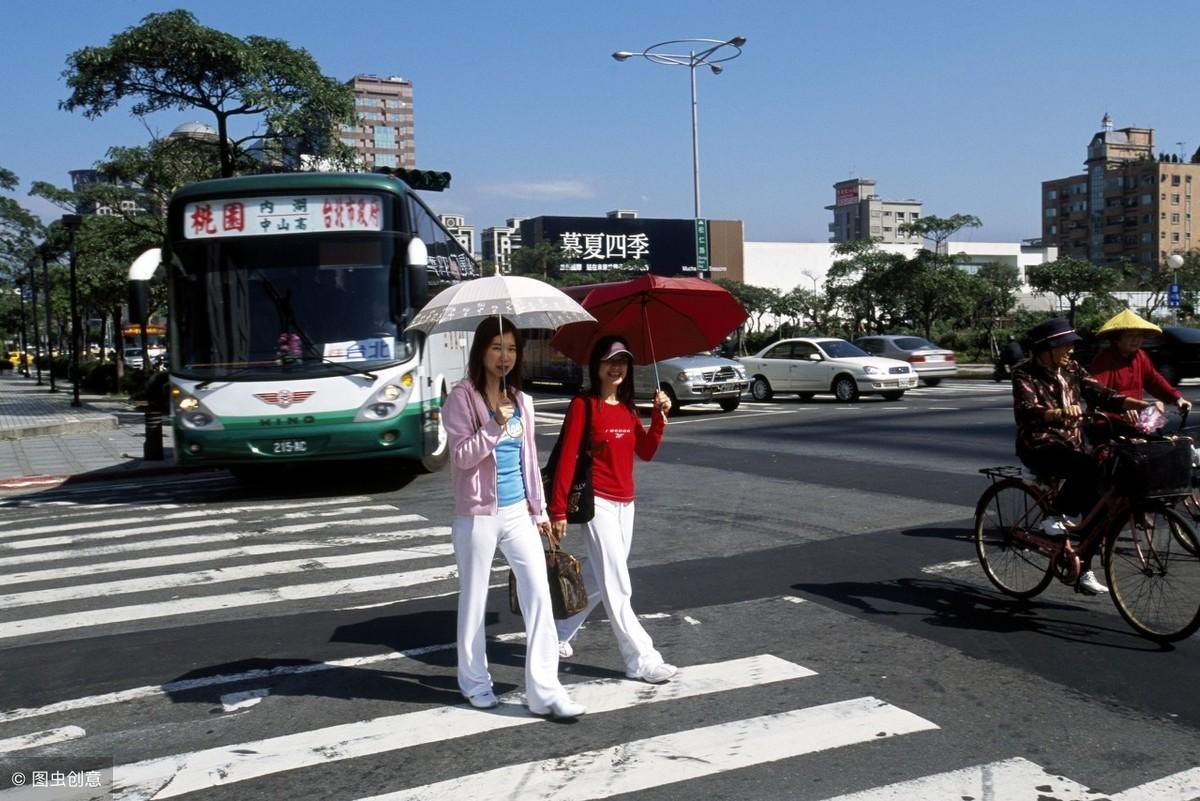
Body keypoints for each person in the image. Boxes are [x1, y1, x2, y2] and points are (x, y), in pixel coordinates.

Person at [442, 316, 585, 718]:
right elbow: (462, 457)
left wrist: (539, 510)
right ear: (481, 351)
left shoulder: (522, 400)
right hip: (477, 515)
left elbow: (529, 461)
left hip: (519, 512)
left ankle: (545, 691)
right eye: (496, 348)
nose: (504, 356)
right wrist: (494, 425)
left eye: (511, 349)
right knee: (474, 600)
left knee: (538, 593)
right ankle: (475, 683)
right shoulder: (462, 397)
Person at [550, 336, 676, 683]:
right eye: (610, 361)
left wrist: (659, 418)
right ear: (597, 366)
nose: (616, 367)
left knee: (597, 576)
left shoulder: (627, 408)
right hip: (598, 504)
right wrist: (557, 510)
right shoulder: (584, 405)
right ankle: (641, 660)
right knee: (618, 583)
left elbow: (645, 451)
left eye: (622, 361)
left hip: (626, 504)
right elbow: (567, 458)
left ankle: (556, 632)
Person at [1012, 318, 1158, 595]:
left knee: (1099, 504)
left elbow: (1102, 394)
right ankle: (1054, 515)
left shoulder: (1072, 369)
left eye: (1071, 345)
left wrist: (1137, 404)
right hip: (1039, 445)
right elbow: (1027, 409)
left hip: (1071, 444)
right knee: (1087, 466)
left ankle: (1083, 568)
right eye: (1065, 345)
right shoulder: (1024, 374)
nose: (1071, 350)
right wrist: (1057, 413)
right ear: (1047, 348)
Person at [1088, 309, 1190, 433]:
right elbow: (1098, 393)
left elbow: (1154, 380)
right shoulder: (1104, 359)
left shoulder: (1140, 356)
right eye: (1130, 335)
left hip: (1134, 422)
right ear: (1117, 339)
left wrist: (1177, 399)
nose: (1136, 340)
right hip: (1106, 424)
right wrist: (1126, 406)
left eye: (1139, 336)